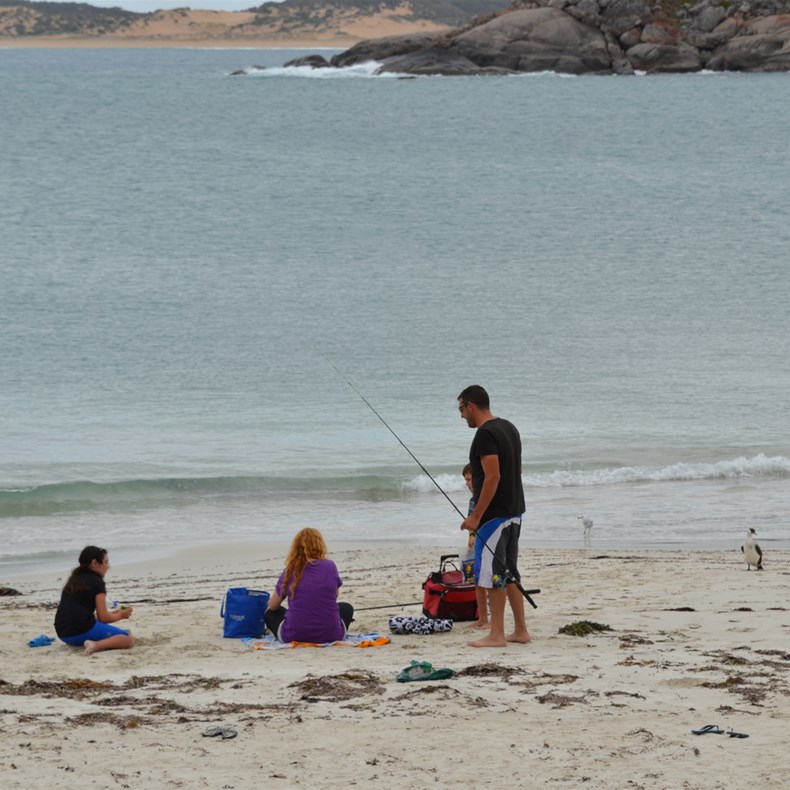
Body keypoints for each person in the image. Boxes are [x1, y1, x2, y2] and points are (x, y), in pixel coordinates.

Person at [458, 385, 531, 648]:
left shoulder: (485, 434)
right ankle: (521, 631)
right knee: (510, 572)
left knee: (492, 575)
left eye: (462, 409)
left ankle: (497, 635)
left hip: (494, 516)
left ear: (471, 406)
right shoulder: (508, 427)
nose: (461, 416)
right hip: (514, 511)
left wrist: (476, 515)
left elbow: (493, 476)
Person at [265, 528, 354, 643]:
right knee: (346, 608)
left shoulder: (290, 570)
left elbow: (273, 606)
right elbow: (334, 595)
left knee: (270, 613)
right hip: (332, 635)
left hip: (293, 636)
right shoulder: (330, 566)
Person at [54, 546, 135, 656]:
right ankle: (95, 645)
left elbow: (79, 614)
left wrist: (111, 614)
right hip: (81, 632)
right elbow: (104, 618)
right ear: (95, 563)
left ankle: (92, 641)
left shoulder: (74, 579)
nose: (108, 567)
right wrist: (121, 615)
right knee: (128, 638)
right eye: (106, 562)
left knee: (94, 622)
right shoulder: (97, 582)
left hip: (64, 634)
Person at [463, 462, 490, 630]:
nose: (467, 483)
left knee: (489, 580)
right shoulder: (472, 499)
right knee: (477, 579)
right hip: (477, 541)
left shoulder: (484, 497)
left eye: (469, 479)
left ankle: (489, 618)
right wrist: (471, 536)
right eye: (465, 480)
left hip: (488, 539)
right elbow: (471, 522)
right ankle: (482, 617)